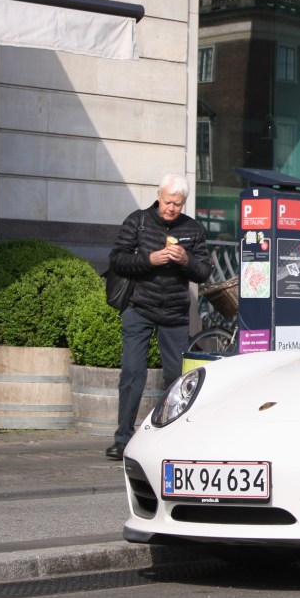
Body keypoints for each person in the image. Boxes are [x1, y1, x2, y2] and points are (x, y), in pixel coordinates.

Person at [105, 174, 211, 461]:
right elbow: (117, 259)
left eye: (178, 204)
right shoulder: (138, 220)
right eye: (167, 202)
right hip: (139, 308)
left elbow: (204, 271)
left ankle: (171, 437)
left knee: (177, 379)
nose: (172, 208)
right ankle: (123, 437)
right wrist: (149, 259)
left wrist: (185, 260)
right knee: (132, 372)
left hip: (175, 312)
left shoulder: (193, 228)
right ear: (158, 196)